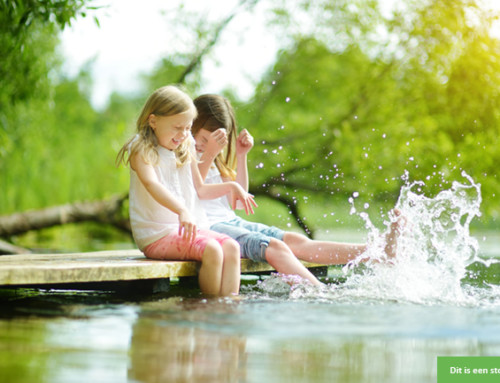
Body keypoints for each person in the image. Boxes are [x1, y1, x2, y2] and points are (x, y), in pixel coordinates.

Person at [191, 94, 402, 286]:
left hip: (230, 221)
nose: (205, 146)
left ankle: (377, 252)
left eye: (215, 141)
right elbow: (194, 191)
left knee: (296, 241)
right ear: (192, 127)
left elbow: (237, 202)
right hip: (211, 228)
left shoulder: (215, 161)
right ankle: (319, 292)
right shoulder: (187, 155)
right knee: (274, 246)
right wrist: (209, 153)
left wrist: (241, 155)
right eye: (203, 139)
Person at [116, 86, 256, 296]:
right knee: (212, 249)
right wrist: (182, 210)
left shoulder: (186, 144)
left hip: (188, 230)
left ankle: (227, 310)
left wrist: (232, 186)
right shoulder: (141, 149)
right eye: (177, 127)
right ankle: (206, 311)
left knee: (232, 247)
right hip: (157, 234)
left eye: (187, 128)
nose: (183, 134)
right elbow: (152, 184)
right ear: (153, 121)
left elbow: (199, 187)